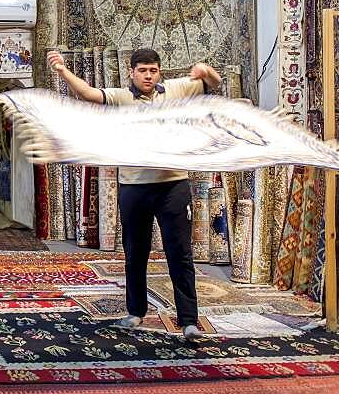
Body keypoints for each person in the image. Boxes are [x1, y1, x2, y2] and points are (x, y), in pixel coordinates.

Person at [46, 47, 222, 340]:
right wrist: (63, 71)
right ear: (132, 72)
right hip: (135, 187)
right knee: (135, 253)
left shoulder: (176, 90)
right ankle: (136, 312)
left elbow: (213, 83)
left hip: (172, 185)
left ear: (159, 71)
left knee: (179, 253)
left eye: (153, 70)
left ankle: (188, 320)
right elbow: (88, 94)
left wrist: (206, 69)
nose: (148, 76)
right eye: (142, 71)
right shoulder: (122, 97)